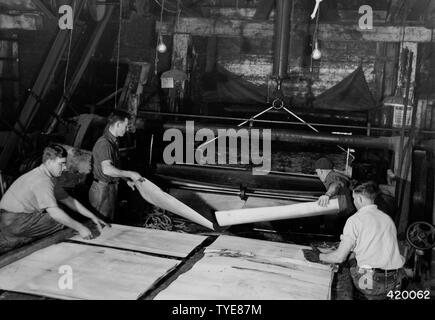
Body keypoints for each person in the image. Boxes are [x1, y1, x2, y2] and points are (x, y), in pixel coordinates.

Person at [0, 144, 109, 253]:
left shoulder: (47, 176)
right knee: (58, 219)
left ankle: (16, 238)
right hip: (14, 221)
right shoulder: (43, 180)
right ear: (49, 162)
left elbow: (68, 200)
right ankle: (21, 239)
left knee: (62, 210)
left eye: (65, 163)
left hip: (9, 220)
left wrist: (92, 216)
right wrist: (80, 228)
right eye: (61, 164)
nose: (65, 167)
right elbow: (54, 213)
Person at [305, 181, 405, 300]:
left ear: (360, 199)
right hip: (394, 281)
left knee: (349, 259)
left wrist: (319, 257)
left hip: (371, 284)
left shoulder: (355, 220)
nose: (354, 202)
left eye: (354, 199)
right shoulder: (387, 219)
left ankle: (357, 294)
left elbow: (339, 257)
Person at [89, 110, 142, 221]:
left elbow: (114, 168)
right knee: (102, 225)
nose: (127, 129)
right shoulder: (105, 143)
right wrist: (131, 174)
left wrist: (126, 180)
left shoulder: (114, 142)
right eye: (126, 125)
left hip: (110, 187)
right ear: (118, 124)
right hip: (101, 190)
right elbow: (107, 170)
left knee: (110, 224)